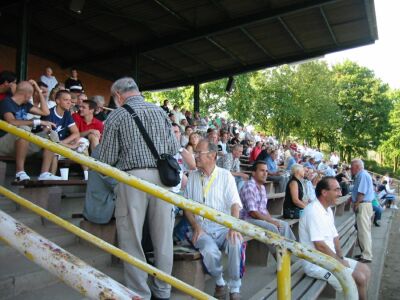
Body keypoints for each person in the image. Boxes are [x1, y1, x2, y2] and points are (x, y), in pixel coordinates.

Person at [99, 77, 179, 299]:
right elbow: (173, 147)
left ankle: (139, 293)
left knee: (131, 237)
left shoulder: (117, 115)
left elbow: (106, 158)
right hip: (163, 180)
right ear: (137, 91)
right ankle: (163, 291)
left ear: (118, 95)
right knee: (163, 239)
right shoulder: (160, 112)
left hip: (133, 179)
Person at [184, 139, 244, 300]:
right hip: (201, 227)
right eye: (194, 153)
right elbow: (187, 207)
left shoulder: (226, 176)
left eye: (198, 153)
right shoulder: (192, 176)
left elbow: (235, 205)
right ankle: (220, 282)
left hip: (224, 227)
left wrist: (233, 227)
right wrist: (196, 226)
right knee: (209, 250)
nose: (195, 156)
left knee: (235, 242)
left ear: (212, 156)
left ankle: (235, 288)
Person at [300, 177, 371, 300]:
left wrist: (341, 257)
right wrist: (339, 262)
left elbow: (335, 236)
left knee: (365, 270)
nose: (340, 193)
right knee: (358, 279)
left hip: (329, 259)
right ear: (324, 192)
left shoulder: (327, 209)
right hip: (316, 264)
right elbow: (319, 245)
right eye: (336, 190)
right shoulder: (313, 211)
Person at [0, 80, 57, 181]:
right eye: (31, 94)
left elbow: (45, 112)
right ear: (27, 95)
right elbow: (11, 122)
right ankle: (19, 172)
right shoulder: (6, 102)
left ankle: (44, 173)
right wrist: (37, 122)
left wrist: (38, 91)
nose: (31, 97)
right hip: (3, 144)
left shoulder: (25, 104)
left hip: (21, 143)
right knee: (24, 129)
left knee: (51, 134)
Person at [240, 160, 296, 244]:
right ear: (254, 173)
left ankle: (290, 249)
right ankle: (279, 253)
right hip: (247, 219)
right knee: (272, 227)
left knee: (284, 225)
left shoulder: (262, 187)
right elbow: (253, 213)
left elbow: (263, 209)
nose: (265, 173)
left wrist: (271, 219)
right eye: (262, 170)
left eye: (266, 171)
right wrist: (271, 221)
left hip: (258, 219)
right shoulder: (249, 186)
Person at [350, 159, 374, 263]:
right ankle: (365, 252)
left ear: (357, 167)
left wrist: (356, 204)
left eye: (352, 167)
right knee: (364, 230)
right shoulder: (362, 174)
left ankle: (366, 255)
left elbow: (361, 192)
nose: (351, 169)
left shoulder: (362, 175)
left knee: (363, 231)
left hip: (363, 204)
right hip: (365, 204)